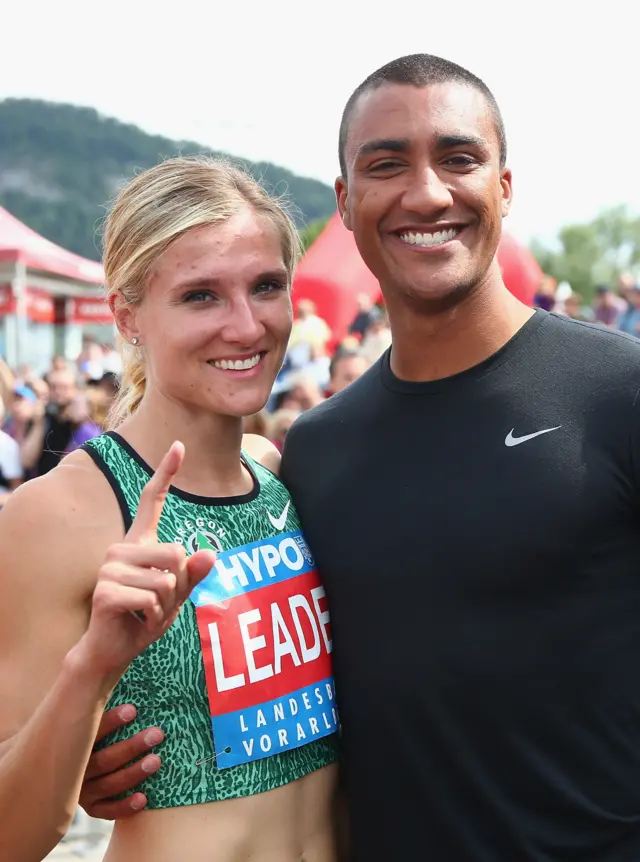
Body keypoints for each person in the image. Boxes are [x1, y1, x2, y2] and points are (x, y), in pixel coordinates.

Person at [88, 54, 640, 862]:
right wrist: (105, 750)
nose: (426, 192)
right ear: (345, 204)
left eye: (459, 158)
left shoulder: (618, 394)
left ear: (505, 187)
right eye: (387, 165)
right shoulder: (315, 451)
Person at [0, 156, 339, 862]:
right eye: (200, 296)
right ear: (127, 315)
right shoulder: (60, 513)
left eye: (266, 286)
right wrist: (91, 669)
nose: (245, 326)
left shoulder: (283, 478)